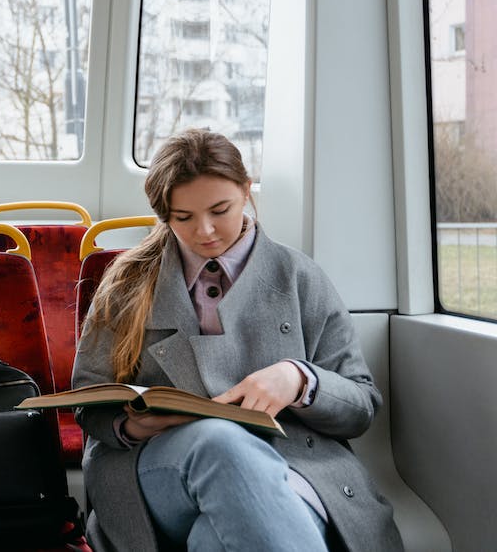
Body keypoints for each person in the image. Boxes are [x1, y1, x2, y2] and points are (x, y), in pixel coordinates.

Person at [72, 129, 401, 551]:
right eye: (182, 218)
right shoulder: (127, 284)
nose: (204, 231)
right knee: (220, 443)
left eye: (219, 209)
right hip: (155, 471)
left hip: (293, 469)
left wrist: (299, 381)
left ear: (247, 191)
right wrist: (129, 425)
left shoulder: (300, 277)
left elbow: (361, 408)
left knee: (215, 538)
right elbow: (87, 398)